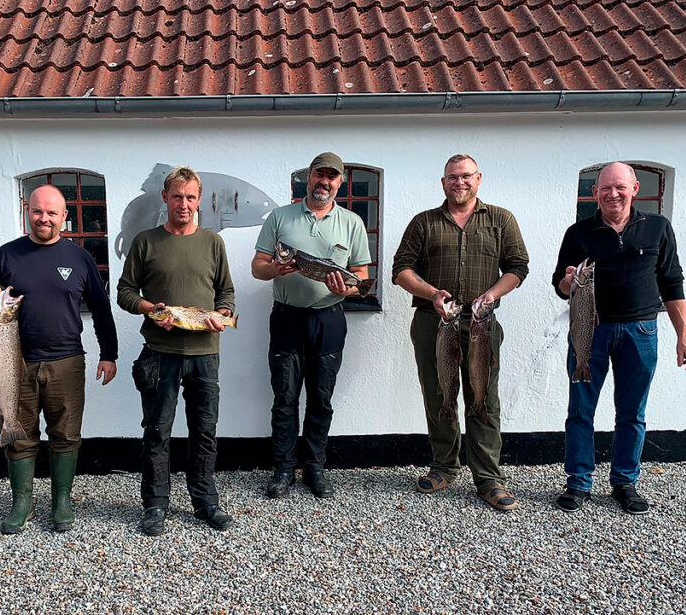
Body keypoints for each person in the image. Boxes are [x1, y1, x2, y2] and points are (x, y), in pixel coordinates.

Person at [551, 162, 686, 515]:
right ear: (594, 192)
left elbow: (672, 282)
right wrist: (568, 282)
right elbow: (560, 285)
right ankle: (578, 482)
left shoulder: (658, 227)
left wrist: (684, 337)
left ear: (634, 188)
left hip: (641, 331)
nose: (612, 194)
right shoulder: (578, 233)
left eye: (620, 186)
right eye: (605, 188)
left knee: (632, 412)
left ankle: (624, 482)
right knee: (580, 410)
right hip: (590, 331)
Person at [0, 185, 118, 534]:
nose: (44, 218)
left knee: (65, 433)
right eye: (37, 211)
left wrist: (109, 354)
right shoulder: (8, 254)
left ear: (64, 216)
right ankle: (21, 502)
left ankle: (61, 500)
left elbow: (100, 309)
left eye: (52, 213)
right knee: (17, 432)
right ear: (28, 213)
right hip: (15, 362)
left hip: (66, 361)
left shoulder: (79, 258)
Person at [392, 154, 529, 511]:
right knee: (440, 393)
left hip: (482, 322)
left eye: (466, 176)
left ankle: (489, 479)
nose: (459, 182)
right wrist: (432, 294)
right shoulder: (424, 222)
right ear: (443, 182)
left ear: (478, 179)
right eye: (453, 177)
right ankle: (444, 466)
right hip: (434, 322)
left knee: (483, 396)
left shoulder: (500, 219)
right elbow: (401, 269)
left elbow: (518, 267)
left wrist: (492, 294)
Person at [117, 166, 236, 536]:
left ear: (199, 201)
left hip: (205, 354)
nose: (183, 204)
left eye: (190, 197)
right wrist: (150, 309)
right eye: (177, 197)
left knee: (204, 431)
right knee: (157, 432)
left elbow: (226, 292)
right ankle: (155, 504)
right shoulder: (145, 242)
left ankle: (205, 502)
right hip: (160, 352)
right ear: (165, 198)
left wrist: (224, 314)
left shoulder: (213, 243)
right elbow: (125, 292)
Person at [251, 152, 370, 499]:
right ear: (309, 176)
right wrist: (274, 269)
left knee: (321, 397)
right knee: (284, 396)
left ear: (340, 183)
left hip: (328, 319)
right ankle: (284, 467)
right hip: (286, 318)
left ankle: (314, 467)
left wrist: (346, 289)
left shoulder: (352, 223)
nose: (324, 181)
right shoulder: (280, 217)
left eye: (332, 177)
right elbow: (257, 266)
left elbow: (361, 276)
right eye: (320, 174)